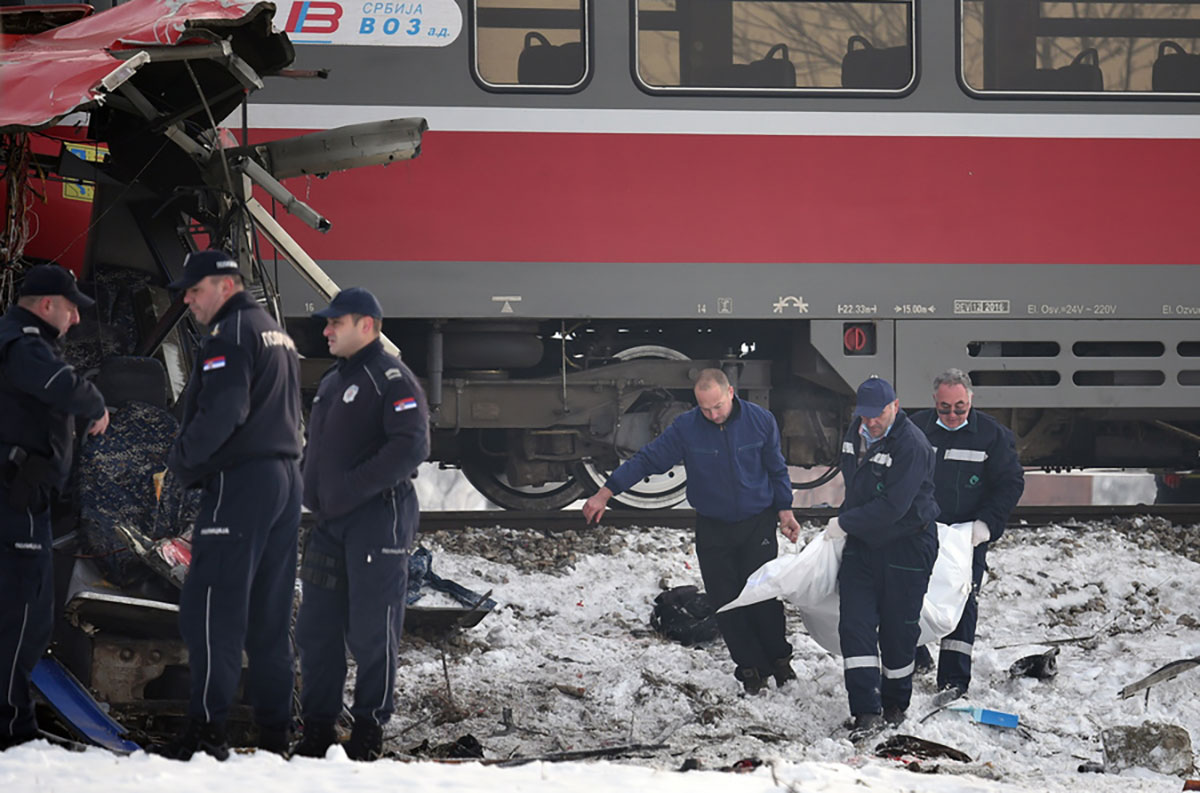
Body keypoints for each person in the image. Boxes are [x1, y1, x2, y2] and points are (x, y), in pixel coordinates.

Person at [153, 250, 303, 761]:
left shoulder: (229, 336)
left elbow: (223, 412)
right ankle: (274, 736)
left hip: (242, 483)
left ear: (223, 285)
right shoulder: (272, 330)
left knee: (210, 609)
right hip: (284, 481)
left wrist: (183, 464)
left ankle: (206, 734)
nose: (188, 300)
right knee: (269, 614)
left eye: (194, 290)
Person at [582, 368, 801, 694]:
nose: (712, 415)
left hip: (758, 522)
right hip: (713, 527)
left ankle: (780, 662)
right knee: (726, 602)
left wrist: (785, 509)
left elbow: (775, 466)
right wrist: (605, 492)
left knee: (763, 597)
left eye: (717, 407)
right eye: (705, 408)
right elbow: (647, 460)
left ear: (730, 393)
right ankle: (751, 670)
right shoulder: (687, 427)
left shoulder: (760, 420)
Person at [292, 287, 429, 761]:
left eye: (336, 323)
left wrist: (349, 488)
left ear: (366, 325)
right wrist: (311, 490)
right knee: (316, 629)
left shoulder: (390, 378)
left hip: (378, 520)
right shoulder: (334, 379)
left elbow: (411, 445)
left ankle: (368, 731)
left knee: (373, 630)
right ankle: (317, 732)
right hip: (330, 524)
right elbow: (320, 447)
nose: (326, 330)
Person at [0, 265, 109, 750]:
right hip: (16, 504)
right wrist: (95, 403)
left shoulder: (19, 341)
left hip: (25, 504)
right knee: (22, 621)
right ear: (47, 305)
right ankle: (11, 731)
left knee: (27, 619)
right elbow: (63, 386)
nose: (75, 319)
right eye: (71, 308)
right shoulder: (23, 345)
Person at [830, 376, 938, 740]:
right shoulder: (855, 432)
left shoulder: (912, 445)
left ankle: (895, 704)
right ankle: (864, 711)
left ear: (895, 406)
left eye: (877, 415)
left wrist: (844, 522)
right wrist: (848, 523)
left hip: (906, 546)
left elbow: (894, 507)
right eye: (864, 415)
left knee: (898, 631)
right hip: (862, 544)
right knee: (854, 626)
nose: (870, 422)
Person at [908, 368, 1025, 703]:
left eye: (960, 407)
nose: (954, 415)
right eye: (945, 408)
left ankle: (954, 680)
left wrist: (987, 524)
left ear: (970, 400)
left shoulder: (991, 435)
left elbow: (1010, 483)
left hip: (965, 534)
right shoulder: (916, 429)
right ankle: (913, 658)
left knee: (962, 599)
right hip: (920, 529)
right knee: (910, 594)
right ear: (934, 402)